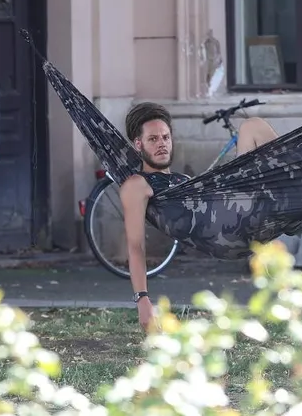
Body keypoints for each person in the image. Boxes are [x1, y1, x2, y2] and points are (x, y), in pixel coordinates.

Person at [118, 102, 278, 331]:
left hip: (234, 208)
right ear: (138, 144)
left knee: (252, 126)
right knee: (257, 132)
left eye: (165, 137)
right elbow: (135, 246)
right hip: (227, 232)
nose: (162, 144)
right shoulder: (137, 185)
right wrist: (142, 299)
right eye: (153, 139)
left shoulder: (181, 179)